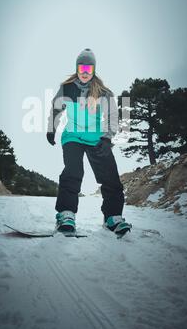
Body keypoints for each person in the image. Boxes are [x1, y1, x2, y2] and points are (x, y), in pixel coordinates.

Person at [46, 48, 131, 235]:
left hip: (96, 138)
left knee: (110, 176)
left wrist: (107, 139)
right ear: (76, 68)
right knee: (73, 171)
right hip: (73, 136)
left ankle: (113, 217)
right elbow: (55, 109)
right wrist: (51, 129)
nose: (85, 72)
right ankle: (66, 214)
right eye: (82, 68)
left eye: (89, 69)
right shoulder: (67, 88)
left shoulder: (103, 92)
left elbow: (113, 116)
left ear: (94, 70)